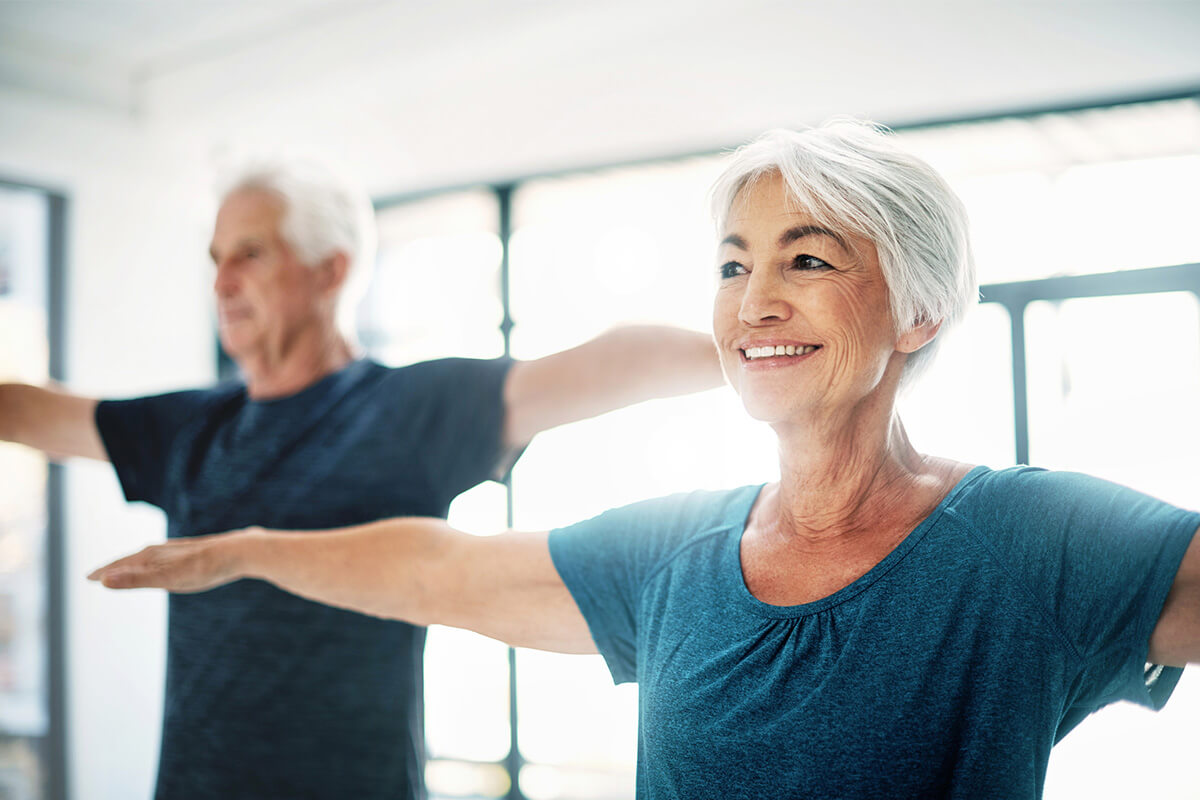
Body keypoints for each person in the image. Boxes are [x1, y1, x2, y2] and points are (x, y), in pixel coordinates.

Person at [89, 123, 1200, 799]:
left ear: (919, 310)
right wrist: (247, 549)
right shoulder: (678, 549)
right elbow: (443, 569)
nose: (755, 298)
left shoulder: (1028, 542)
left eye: (806, 259)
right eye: (732, 264)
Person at [0, 159, 724, 800]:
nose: (221, 282)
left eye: (250, 254)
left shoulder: (405, 410)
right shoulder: (191, 428)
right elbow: (28, 410)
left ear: (330, 269)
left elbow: (606, 364)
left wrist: (766, 351)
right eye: (217, 258)